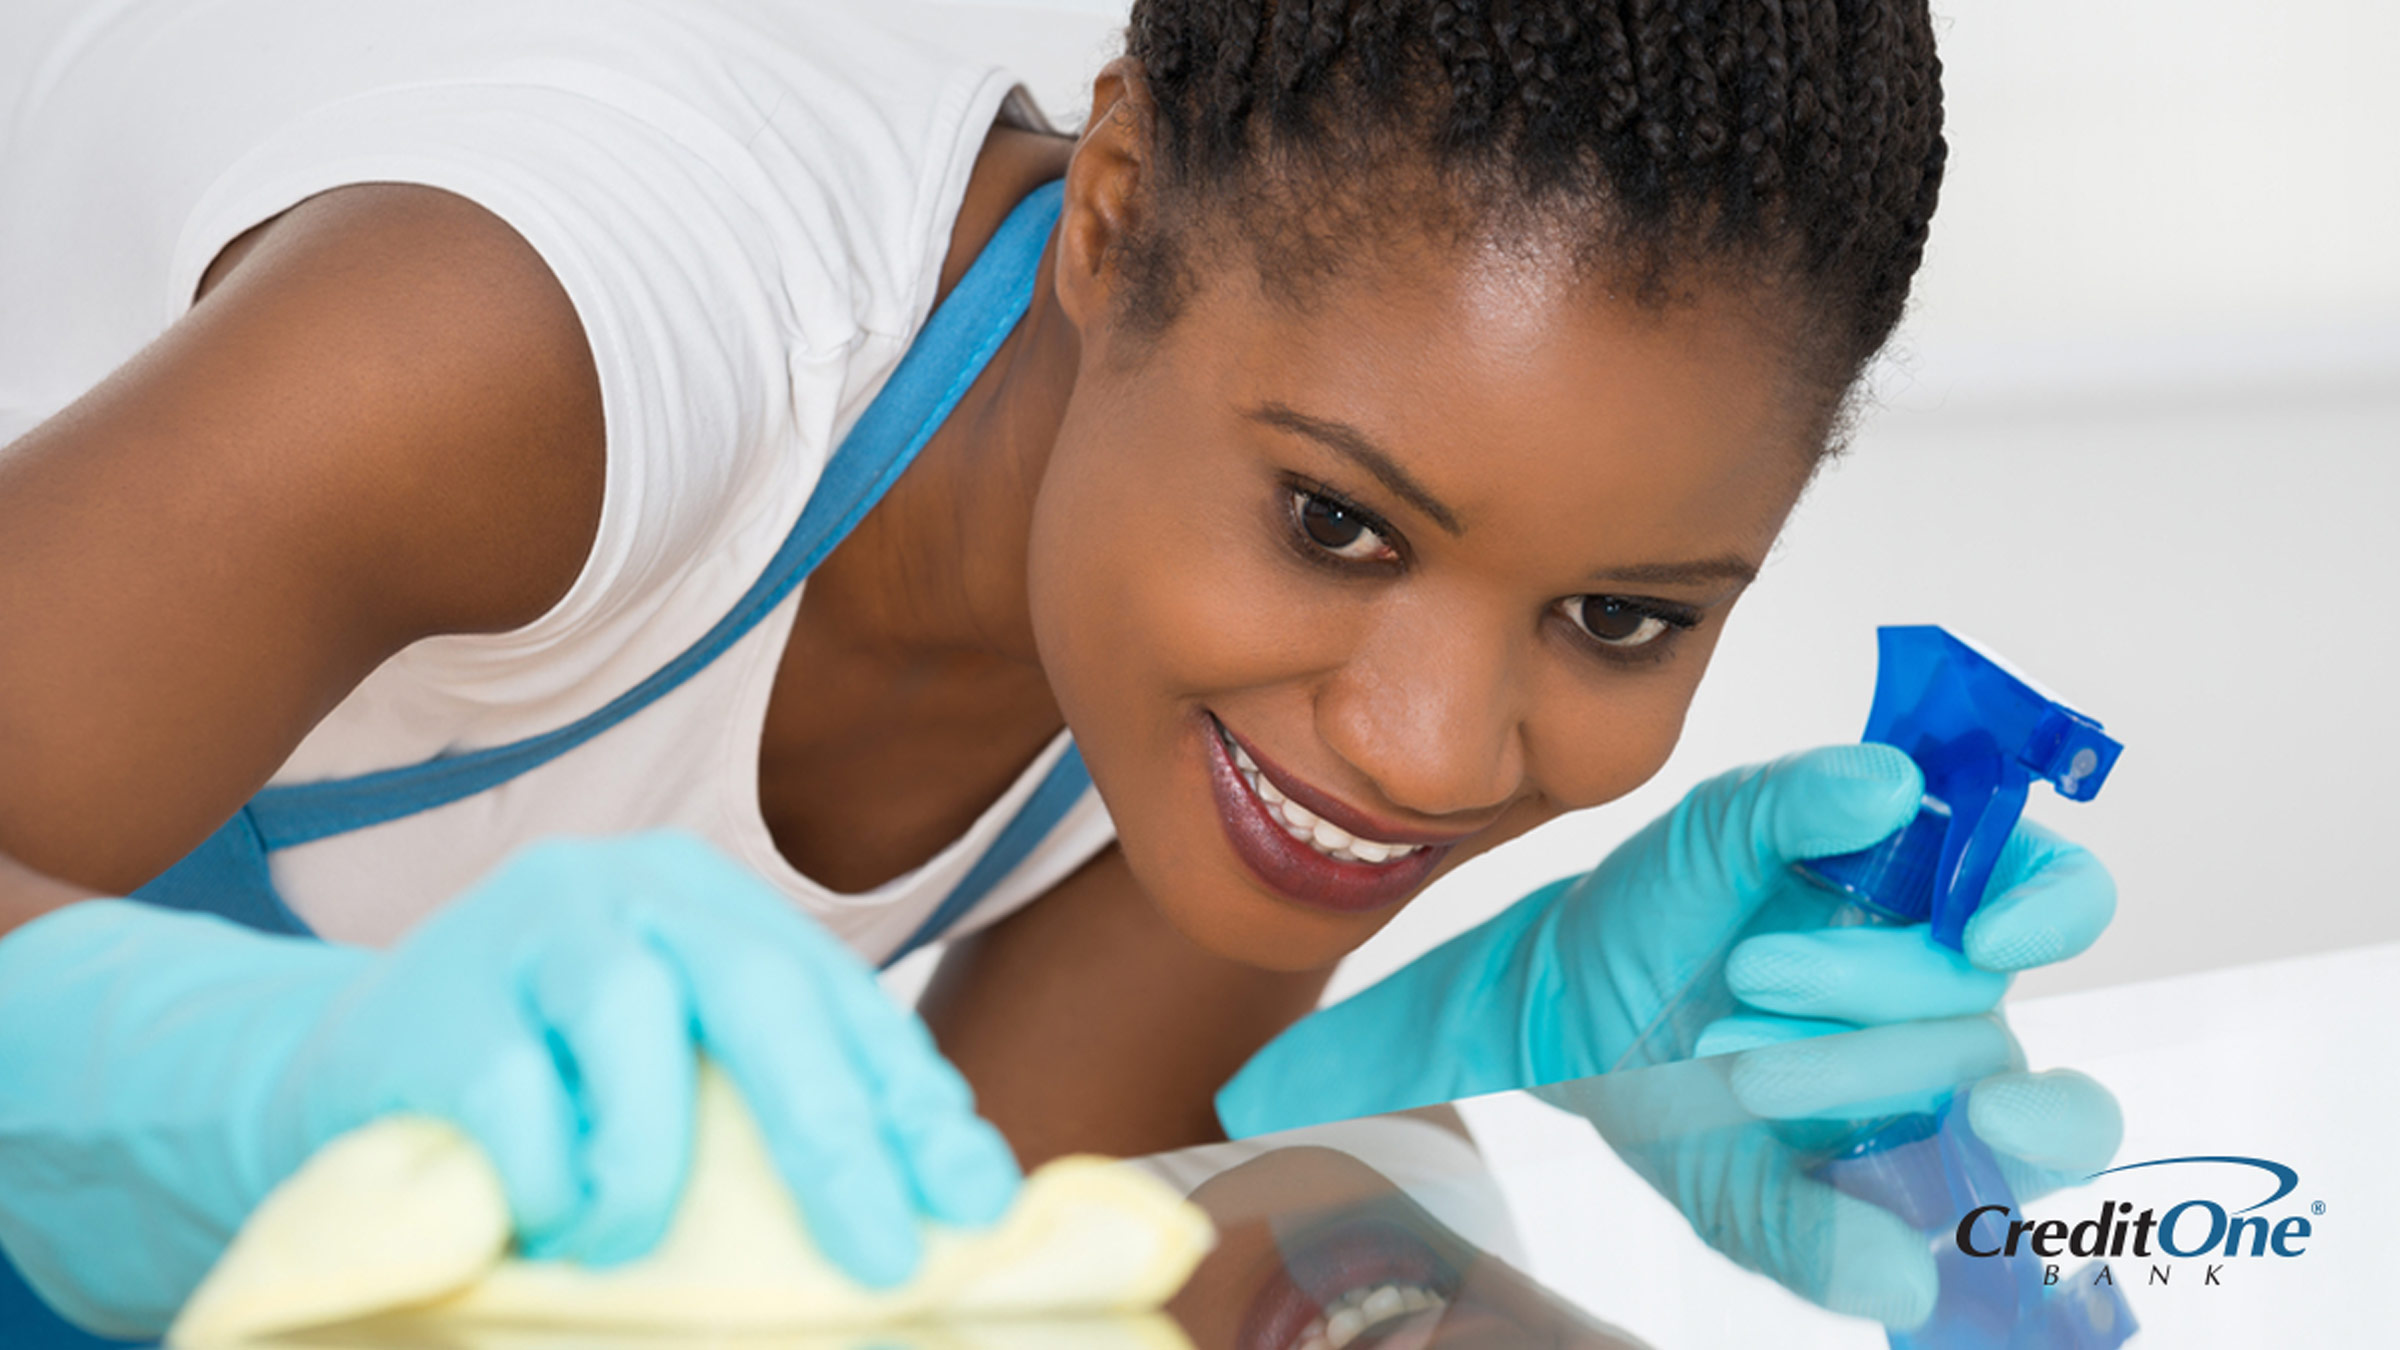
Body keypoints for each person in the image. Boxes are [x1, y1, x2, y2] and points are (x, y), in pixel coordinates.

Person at [0, 0, 2116, 1343]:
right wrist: (248, 1077)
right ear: (1111, 215)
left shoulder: (1213, 687)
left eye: (1623, 618)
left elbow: (992, 1272)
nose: (1425, 751)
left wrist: (1489, 1066)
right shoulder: (506, 351)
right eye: (1338, 523)